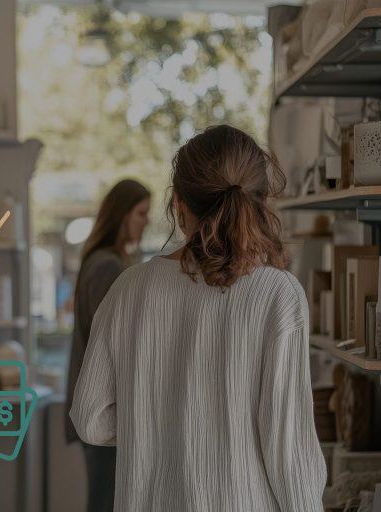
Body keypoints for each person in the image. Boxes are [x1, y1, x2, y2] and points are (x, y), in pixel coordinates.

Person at [70, 125, 326, 511]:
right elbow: (289, 454)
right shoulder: (278, 295)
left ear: (178, 204)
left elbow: (90, 417)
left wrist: (159, 420)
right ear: (259, 204)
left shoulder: (129, 289)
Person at [64, 178, 151, 512]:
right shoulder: (108, 266)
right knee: (105, 502)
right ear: (122, 214)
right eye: (141, 213)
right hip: (105, 406)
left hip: (100, 403)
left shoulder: (103, 261)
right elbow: (113, 346)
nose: (145, 222)